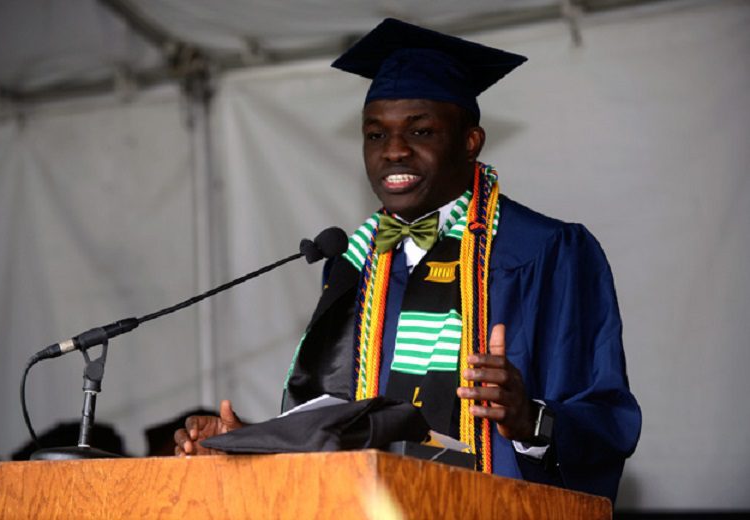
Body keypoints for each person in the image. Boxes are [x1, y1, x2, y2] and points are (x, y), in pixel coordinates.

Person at [175, 18, 641, 502]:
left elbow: (607, 420)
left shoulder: (546, 252)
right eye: (375, 135)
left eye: (420, 131)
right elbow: (343, 426)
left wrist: (531, 419)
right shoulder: (355, 264)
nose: (394, 151)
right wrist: (251, 443)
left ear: (470, 142)